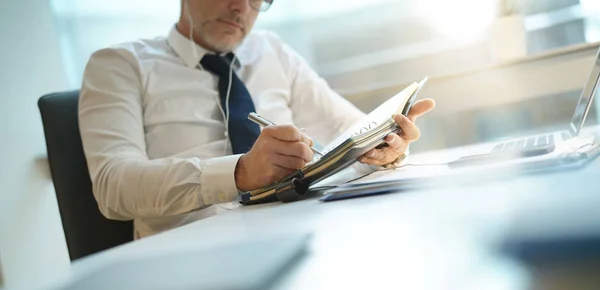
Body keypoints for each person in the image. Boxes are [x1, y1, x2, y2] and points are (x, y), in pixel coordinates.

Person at [79, 0, 436, 239]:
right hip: (192, 252)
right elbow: (114, 187)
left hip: (298, 230)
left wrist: (382, 146)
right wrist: (240, 173)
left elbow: (348, 127)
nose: (241, 7)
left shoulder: (272, 52)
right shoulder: (120, 64)